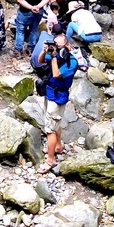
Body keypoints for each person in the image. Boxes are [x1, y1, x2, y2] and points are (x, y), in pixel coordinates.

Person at [35, 30, 79, 170]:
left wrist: (54, 57)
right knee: (56, 123)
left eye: (59, 46)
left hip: (59, 96)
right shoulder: (56, 55)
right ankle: (58, 146)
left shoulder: (71, 62)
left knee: (50, 129)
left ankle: (50, 159)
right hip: (49, 93)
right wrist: (44, 51)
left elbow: (56, 73)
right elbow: (40, 61)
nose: (57, 48)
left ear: (67, 46)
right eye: (55, 45)